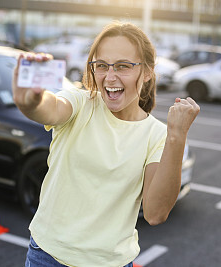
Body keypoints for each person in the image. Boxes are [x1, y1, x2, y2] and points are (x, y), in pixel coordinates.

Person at [13, 21, 200, 267]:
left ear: (147, 72)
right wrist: (29, 102)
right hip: (47, 257)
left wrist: (177, 135)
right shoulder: (80, 103)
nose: (110, 77)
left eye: (123, 66)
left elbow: (155, 213)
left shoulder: (157, 135)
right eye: (101, 66)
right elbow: (48, 108)